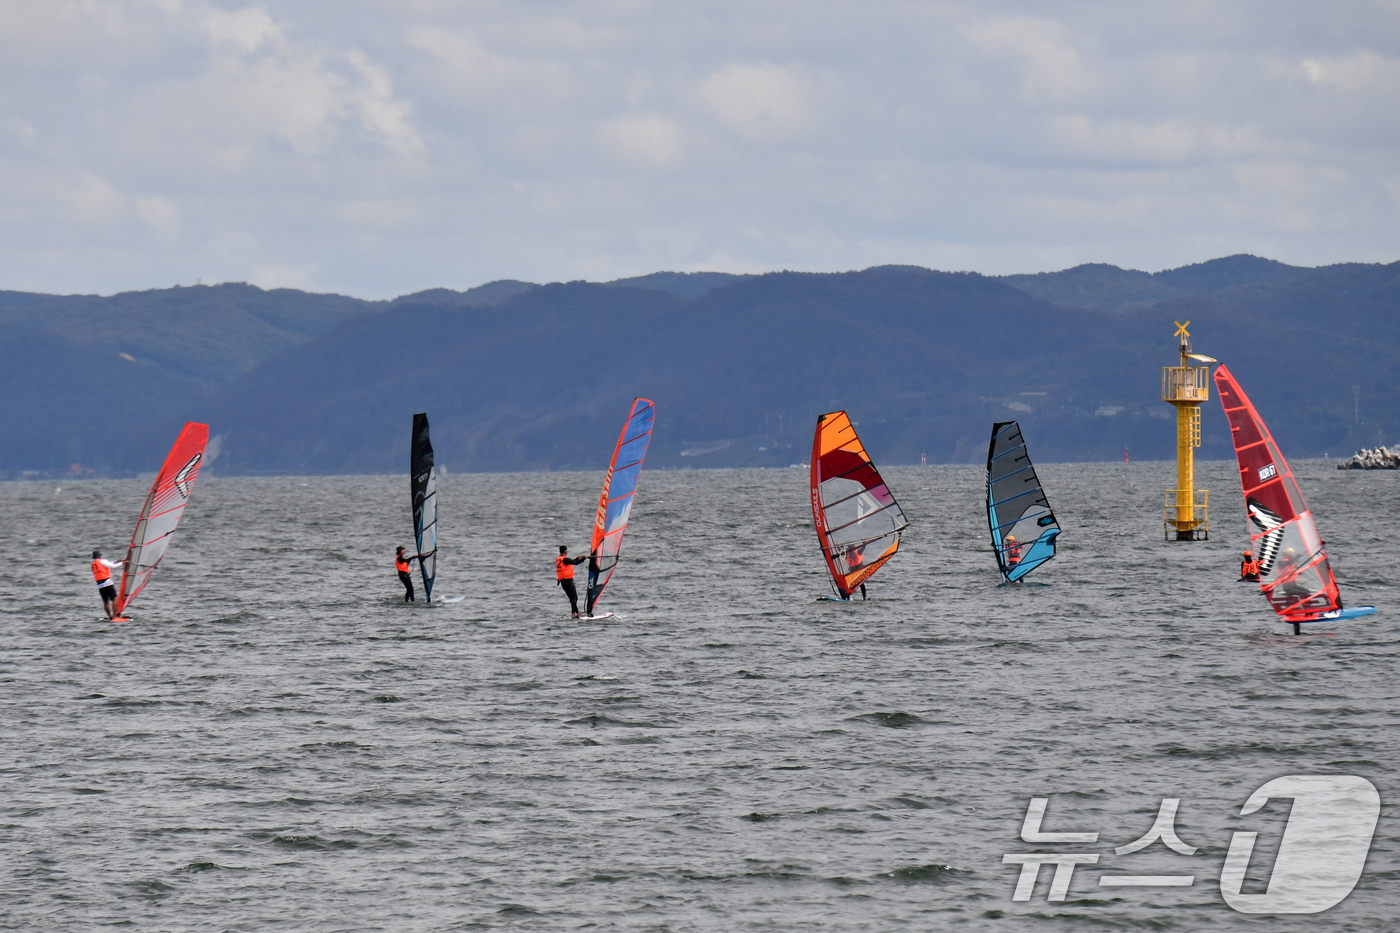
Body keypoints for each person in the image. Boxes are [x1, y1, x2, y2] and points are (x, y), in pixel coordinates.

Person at [91, 549, 126, 620]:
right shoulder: (102, 561)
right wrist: (123, 563)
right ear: (99, 556)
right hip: (107, 583)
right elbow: (112, 567)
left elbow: (109, 564)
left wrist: (116, 561)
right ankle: (114, 616)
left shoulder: (94, 564)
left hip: (100, 585)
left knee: (106, 602)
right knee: (115, 599)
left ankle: (110, 616)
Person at [556, 545, 587, 618]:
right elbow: (575, 563)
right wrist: (585, 558)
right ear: (566, 552)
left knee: (572, 599)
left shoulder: (560, 559)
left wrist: (577, 558)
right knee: (574, 598)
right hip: (568, 582)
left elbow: (571, 561)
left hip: (563, 582)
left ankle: (578, 613)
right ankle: (573, 614)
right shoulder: (565, 559)